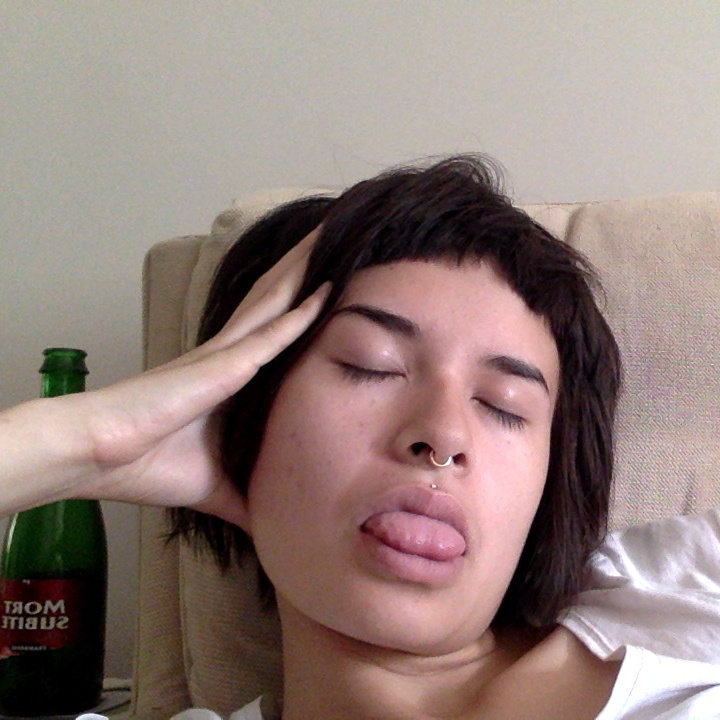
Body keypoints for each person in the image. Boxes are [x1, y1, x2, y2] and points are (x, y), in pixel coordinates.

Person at [1, 156, 718, 720]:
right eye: (371, 365)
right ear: (245, 411)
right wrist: (92, 442)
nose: (443, 436)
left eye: (504, 406)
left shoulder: (681, 593)